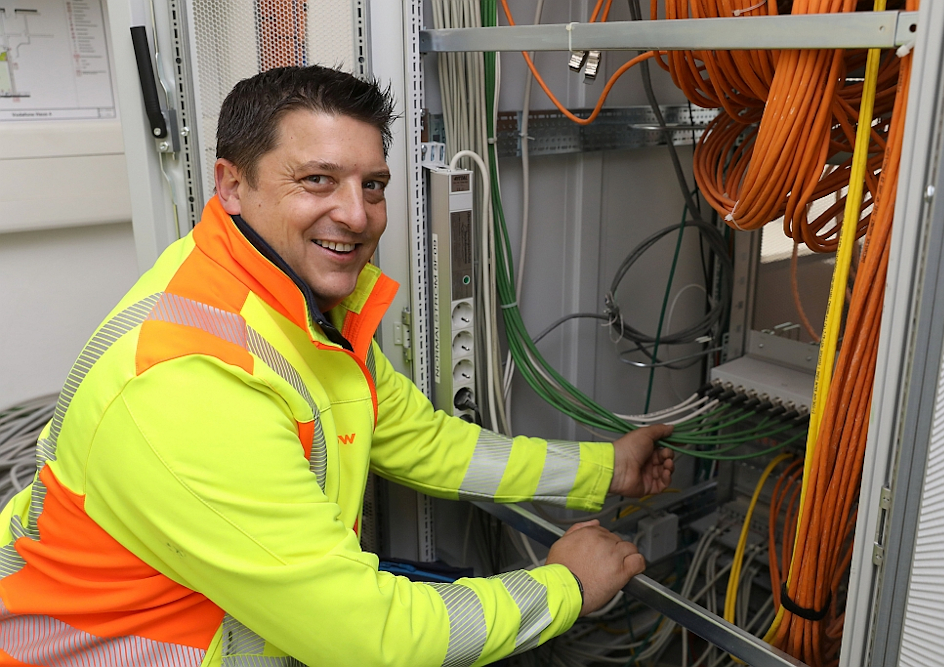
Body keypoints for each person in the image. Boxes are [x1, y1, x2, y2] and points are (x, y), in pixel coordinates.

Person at [0, 66, 674, 666]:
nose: (357, 215)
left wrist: (604, 469)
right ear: (232, 184)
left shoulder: (295, 306)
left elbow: (423, 439)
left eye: (372, 184)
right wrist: (564, 587)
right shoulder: (187, 381)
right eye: (318, 179)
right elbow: (368, 635)